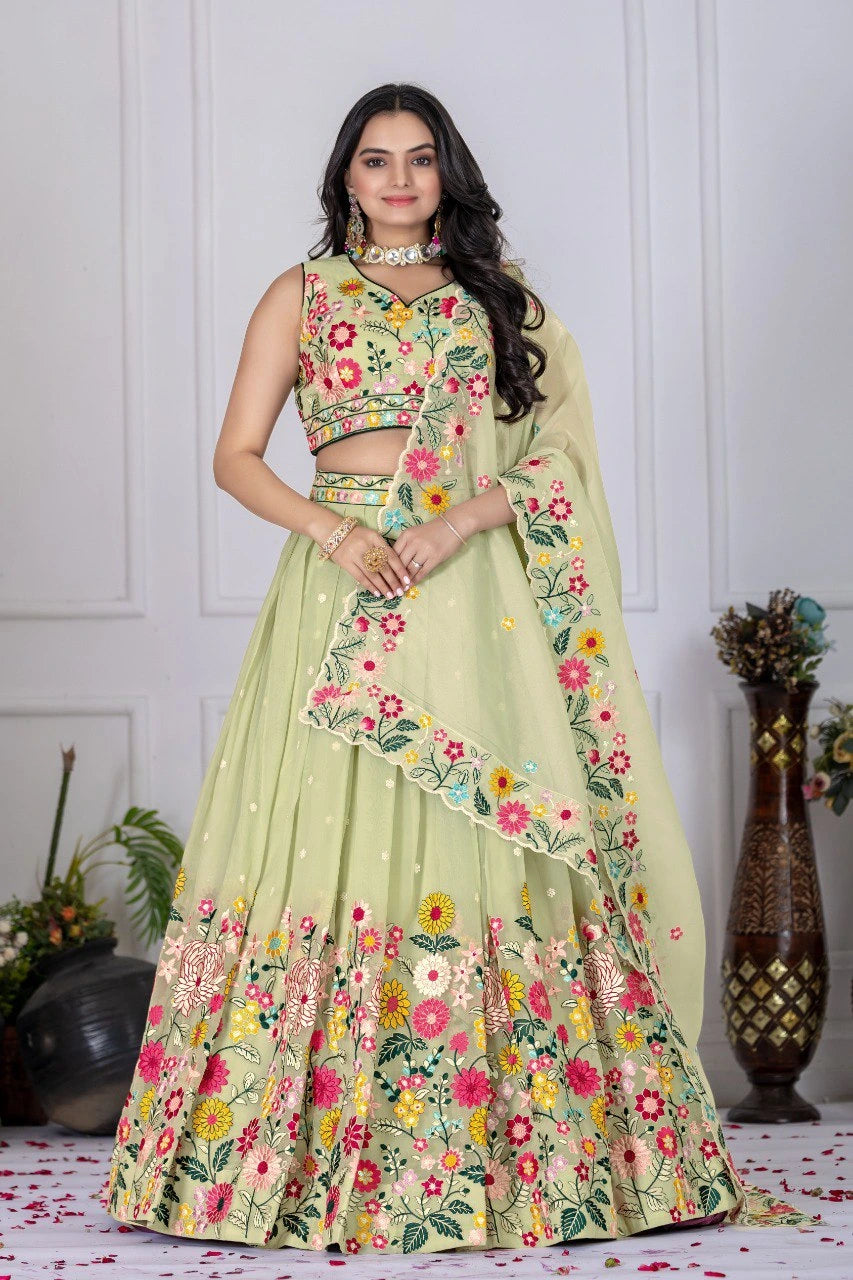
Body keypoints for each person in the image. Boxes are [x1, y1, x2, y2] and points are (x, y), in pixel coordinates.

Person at [98, 83, 816, 1254]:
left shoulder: (501, 298)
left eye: (418, 159)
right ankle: (286, 1154)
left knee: (476, 841)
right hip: (340, 593)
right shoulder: (299, 294)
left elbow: (559, 463)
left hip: (466, 590)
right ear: (343, 176)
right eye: (373, 160)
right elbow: (235, 456)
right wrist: (338, 530)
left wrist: (457, 520)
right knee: (321, 842)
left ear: (446, 175)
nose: (394, 179)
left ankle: (504, 1149)